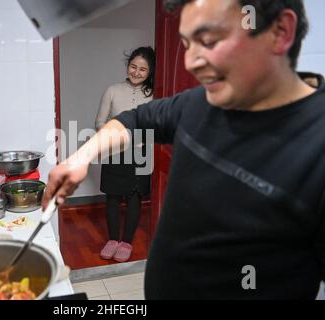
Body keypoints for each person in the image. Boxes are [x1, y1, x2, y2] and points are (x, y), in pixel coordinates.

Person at [43, 0, 325, 299]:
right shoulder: (198, 103)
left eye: (208, 41)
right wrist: (82, 157)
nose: (191, 62)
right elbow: (132, 120)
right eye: (188, 44)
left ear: (280, 32)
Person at [95, 47, 155, 262]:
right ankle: (112, 240)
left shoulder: (155, 93)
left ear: (150, 72)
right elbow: (99, 122)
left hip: (140, 153)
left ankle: (126, 242)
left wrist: (144, 139)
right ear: (127, 65)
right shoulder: (112, 90)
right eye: (133, 67)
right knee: (112, 196)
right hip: (114, 150)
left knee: (134, 196)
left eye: (143, 69)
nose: (136, 72)